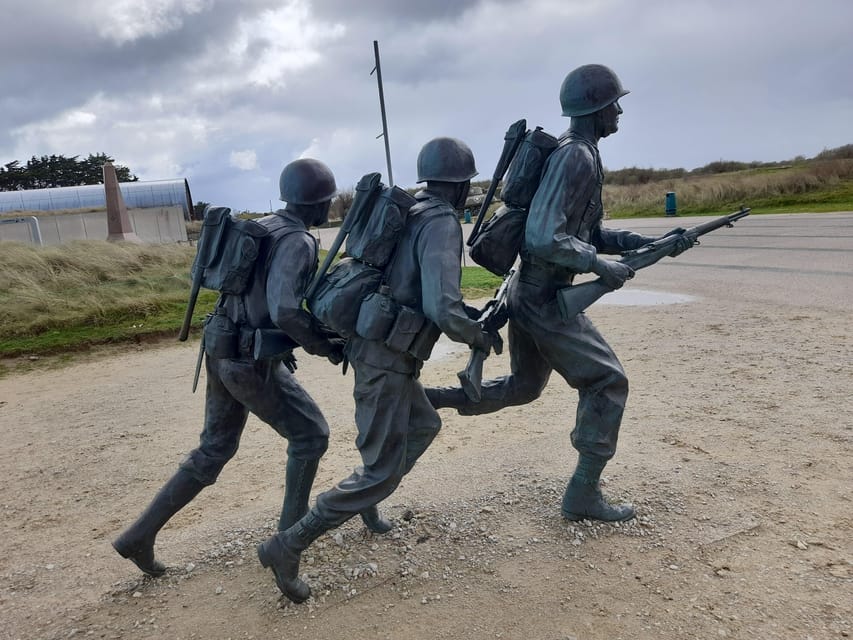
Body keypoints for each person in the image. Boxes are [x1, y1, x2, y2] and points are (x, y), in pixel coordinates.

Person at [427, 65, 692, 523]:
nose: (620, 110)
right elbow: (545, 236)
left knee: (524, 387)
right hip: (546, 299)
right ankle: (583, 494)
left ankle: (429, 399)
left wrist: (643, 245)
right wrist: (597, 265)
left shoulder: (581, 153)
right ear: (596, 108)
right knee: (607, 381)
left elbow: (585, 231)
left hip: (530, 292)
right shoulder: (577, 157)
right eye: (614, 103)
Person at [255, 137, 496, 603]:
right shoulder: (442, 221)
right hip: (387, 357)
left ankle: (367, 499)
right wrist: (478, 335)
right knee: (382, 468)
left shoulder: (414, 209)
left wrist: (472, 316)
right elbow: (442, 307)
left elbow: (421, 289)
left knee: (424, 425)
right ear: (464, 183)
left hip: (382, 349)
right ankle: (288, 544)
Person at [113, 158, 353, 577]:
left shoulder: (263, 225)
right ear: (319, 203)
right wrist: (322, 345)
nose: (329, 208)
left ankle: (139, 537)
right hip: (247, 360)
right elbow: (283, 309)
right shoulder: (298, 240)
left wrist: (283, 346)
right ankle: (287, 548)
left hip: (220, 346)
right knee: (311, 436)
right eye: (328, 201)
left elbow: (250, 295)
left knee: (214, 449)